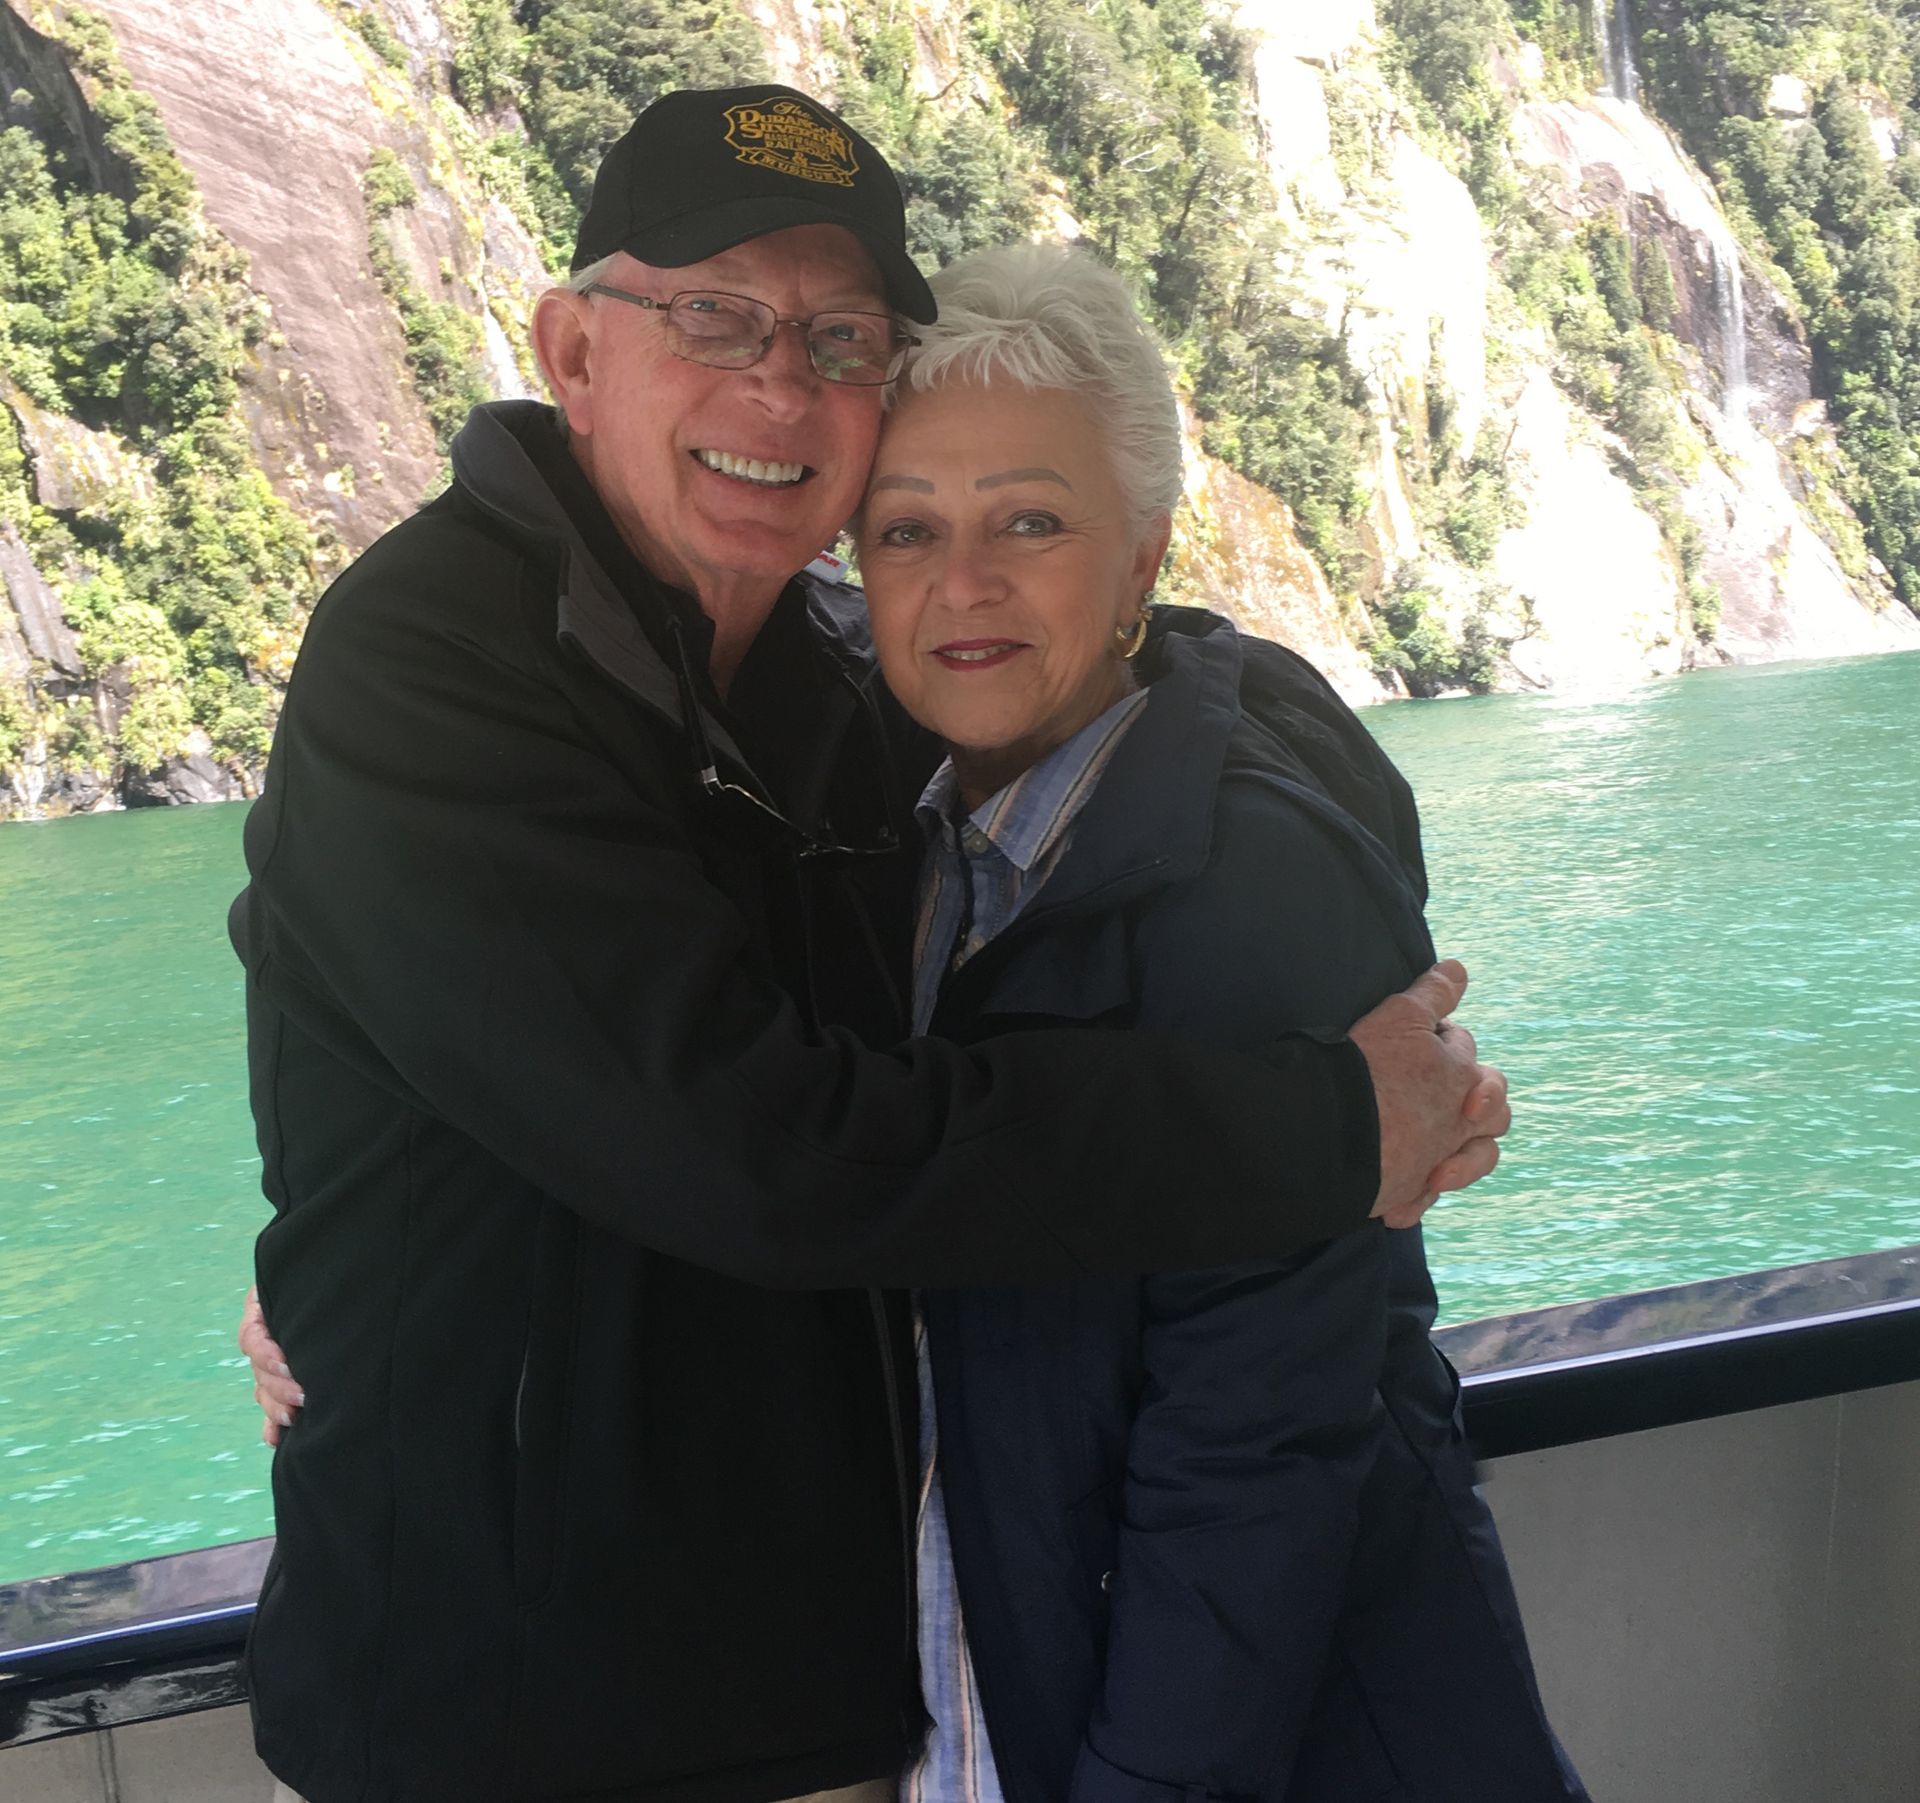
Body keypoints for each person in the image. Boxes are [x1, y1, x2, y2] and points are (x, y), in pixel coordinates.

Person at [232, 84, 1511, 1803]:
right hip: (507, 1722)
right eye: (713, 316)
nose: (779, 386)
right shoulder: (434, 664)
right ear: (574, 350)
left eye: (839, 338)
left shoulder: (838, 685)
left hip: (822, 1699)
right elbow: (760, 1143)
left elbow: (1254, 1437)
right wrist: (1330, 1126)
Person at [849, 242, 1586, 1801]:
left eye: (1031, 521)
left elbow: (1255, 1458)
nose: (963, 581)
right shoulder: (909, 854)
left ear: (1143, 557)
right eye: (908, 528)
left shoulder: (1252, 879)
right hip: (994, 1697)